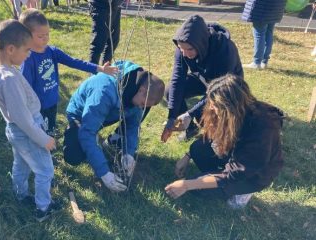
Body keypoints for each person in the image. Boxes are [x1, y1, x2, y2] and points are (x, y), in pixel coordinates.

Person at [165, 74, 284, 209]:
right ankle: (217, 178)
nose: (211, 108)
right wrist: (187, 156)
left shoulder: (262, 127)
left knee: (198, 188)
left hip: (253, 174)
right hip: (234, 154)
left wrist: (187, 184)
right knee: (197, 149)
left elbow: (236, 172)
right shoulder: (234, 114)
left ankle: (243, 191)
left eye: (215, 105)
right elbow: (211, 136)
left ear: (229, 108)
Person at [0, 19, 60, 222]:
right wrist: (43, 139)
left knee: (21, 164)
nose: (29, 54)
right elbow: (23, 119)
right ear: (11, 49)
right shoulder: (8, 79)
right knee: (45, 170)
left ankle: (20, 195)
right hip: (27, 132)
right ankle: (43, 208)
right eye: (27, 50)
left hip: (15, 131)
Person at [63, 60, 165, 192]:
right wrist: (104, 173)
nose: (141, 108)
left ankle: (111, 141)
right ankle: (78, 133)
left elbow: (133, 126)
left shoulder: (136, 90)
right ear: (142, 90)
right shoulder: (104, 92)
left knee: (130, 117)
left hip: (107, 113)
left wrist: (129, 153)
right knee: (74, 156)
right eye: (142, 103)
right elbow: (87, 132)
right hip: (81, 115)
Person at [19, 9, 118, 135]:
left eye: (47, 34)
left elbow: (74, 62)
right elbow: (24, 87)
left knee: (49, 130)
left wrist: (100, 68)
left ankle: (49, 143)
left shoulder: (52, 52)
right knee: (39, 134)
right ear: (26, 35)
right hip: (36, 107)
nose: (45, 39)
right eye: (40, 36)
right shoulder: (27, 59)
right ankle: (44, 151)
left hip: (52, 102)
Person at [161, 15, 243, 143]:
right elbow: (178, 79)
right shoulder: (182, 47)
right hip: (203, 79)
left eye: (190, 49)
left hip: (227, 85)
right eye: (181, 49)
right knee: (169, 90)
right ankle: (190, 127)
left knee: (206, 117)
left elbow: (219, 90)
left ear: (201, 43)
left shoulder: (224, 50)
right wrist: (172, 117)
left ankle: (202, 126)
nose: (185, 54)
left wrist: (191, 113)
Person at [241, 0, 286, 69]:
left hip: (262, 7)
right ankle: (264, 61)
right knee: (269, 32)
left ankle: (257, 62)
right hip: (277, 6)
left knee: (259, 34)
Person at [88, 0, 122, 65]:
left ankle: (106, 70)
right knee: (99, 42)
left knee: (113, 41)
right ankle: (93, 71)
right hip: (100, 6)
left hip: (115, 6)